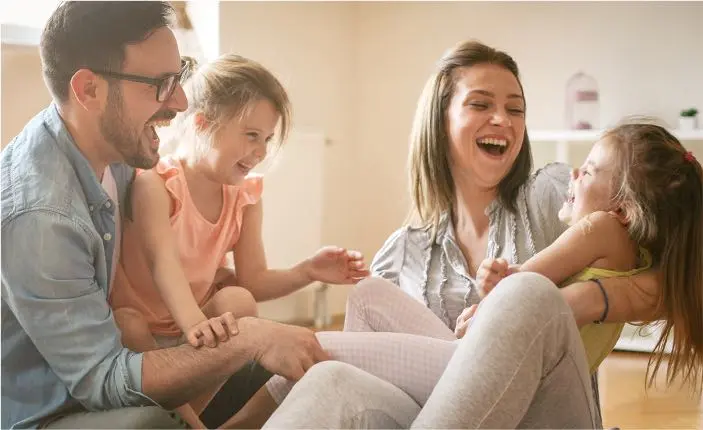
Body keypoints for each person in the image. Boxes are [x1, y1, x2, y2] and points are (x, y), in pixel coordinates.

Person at [236, 40, 676, 429]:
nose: (502, 119)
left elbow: (674, 265)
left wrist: (579, 302)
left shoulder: (555, 194)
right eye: (480, 104)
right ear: (439, 121)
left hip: (543, 411)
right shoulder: (401, 251)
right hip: (444, 409)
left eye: (515, 108)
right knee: (339, 360)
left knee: (526, 295)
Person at [1, 3, 328, 429]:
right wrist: (247, 338)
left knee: (275, 370)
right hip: (51, 409)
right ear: (89, 90)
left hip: (107, 362)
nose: (180, 101)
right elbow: (100, 379)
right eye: (160, 84)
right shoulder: (42, 216)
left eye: (181, 74)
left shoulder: (113, 150)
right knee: (150, 423)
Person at [109, 53, 369, 427]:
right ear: (202, 124)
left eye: (266, 139)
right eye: (251, 135)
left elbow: (253, 280)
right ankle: (188, 423)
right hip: (147, 331)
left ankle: (189, 418)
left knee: (238, 299)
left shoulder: (244, 196)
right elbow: (161, 262)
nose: (261, 151)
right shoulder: (157, 183)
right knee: (126, 322)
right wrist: (195, 324)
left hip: (195, 326)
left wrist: (308, 270)